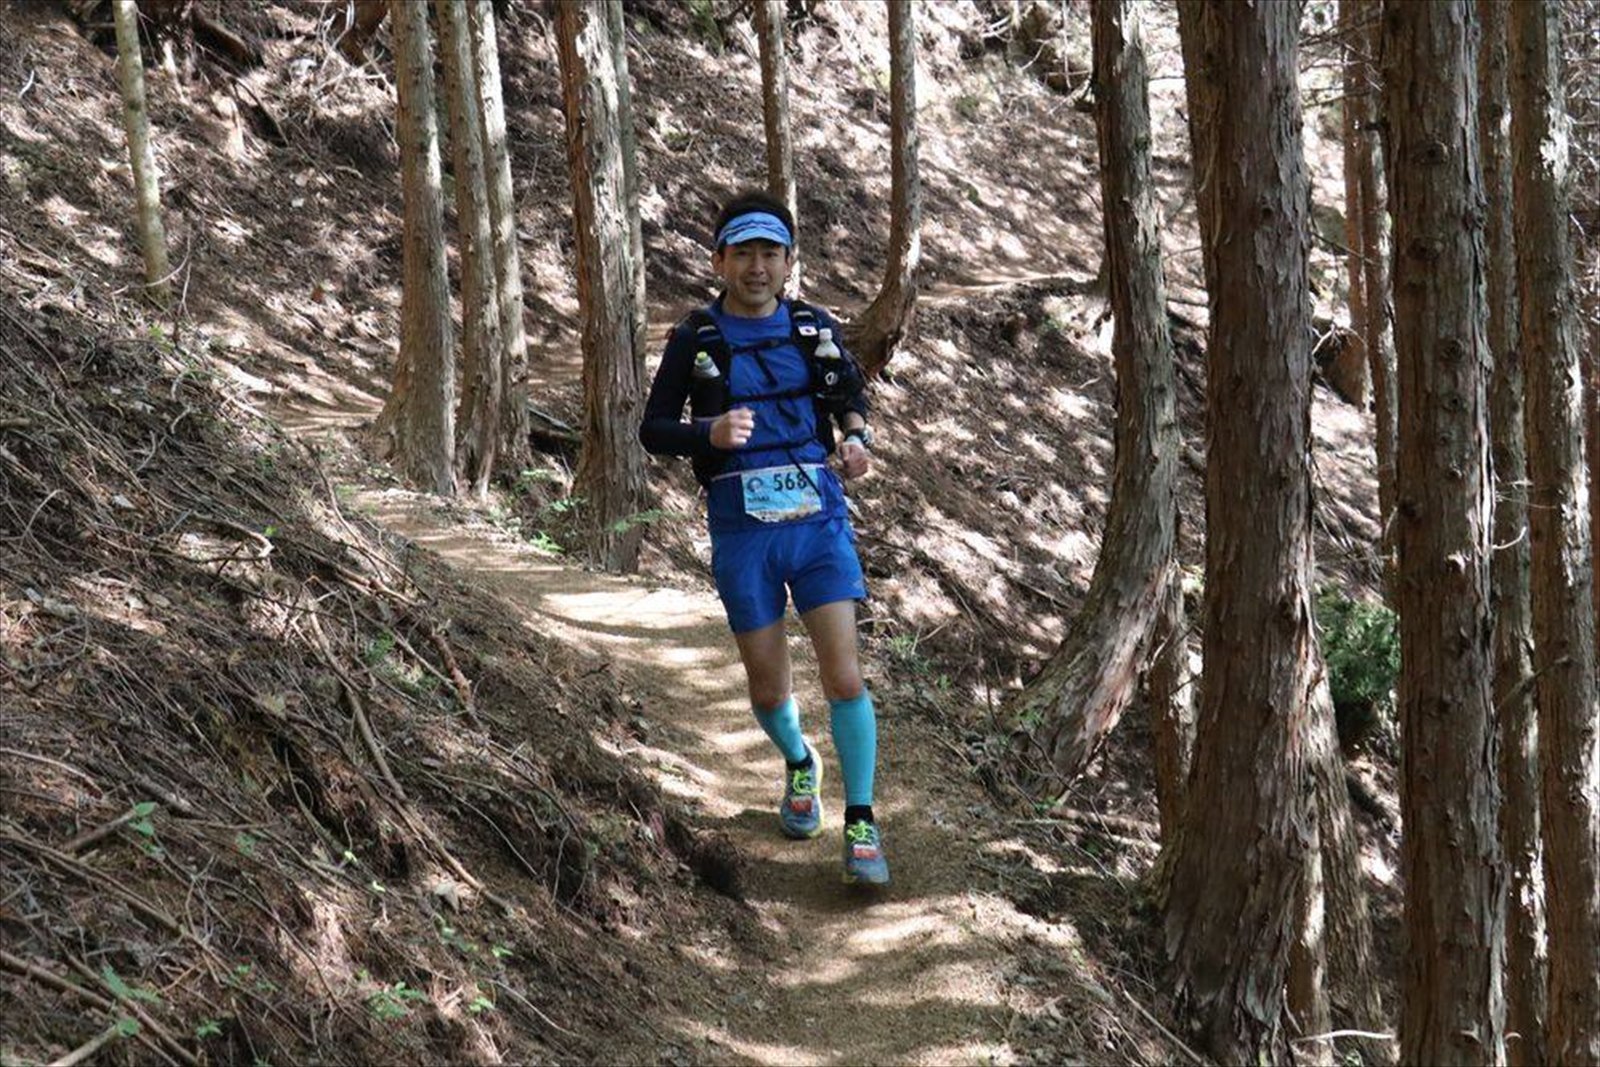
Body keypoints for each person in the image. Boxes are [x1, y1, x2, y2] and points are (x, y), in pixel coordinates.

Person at [639, 190, 888, 886]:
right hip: (741, 525)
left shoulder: (812, 326)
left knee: (844, 673)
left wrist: (858, 440)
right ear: (719, 260)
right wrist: (706, 434)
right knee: (768, 683)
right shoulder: (697, 337)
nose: (756, 267)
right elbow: (653, 428)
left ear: (787, 263)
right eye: (742, 252)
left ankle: (862, 819)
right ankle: (800, 762)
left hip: (817, 517)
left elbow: (846, 394)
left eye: (769, 254)